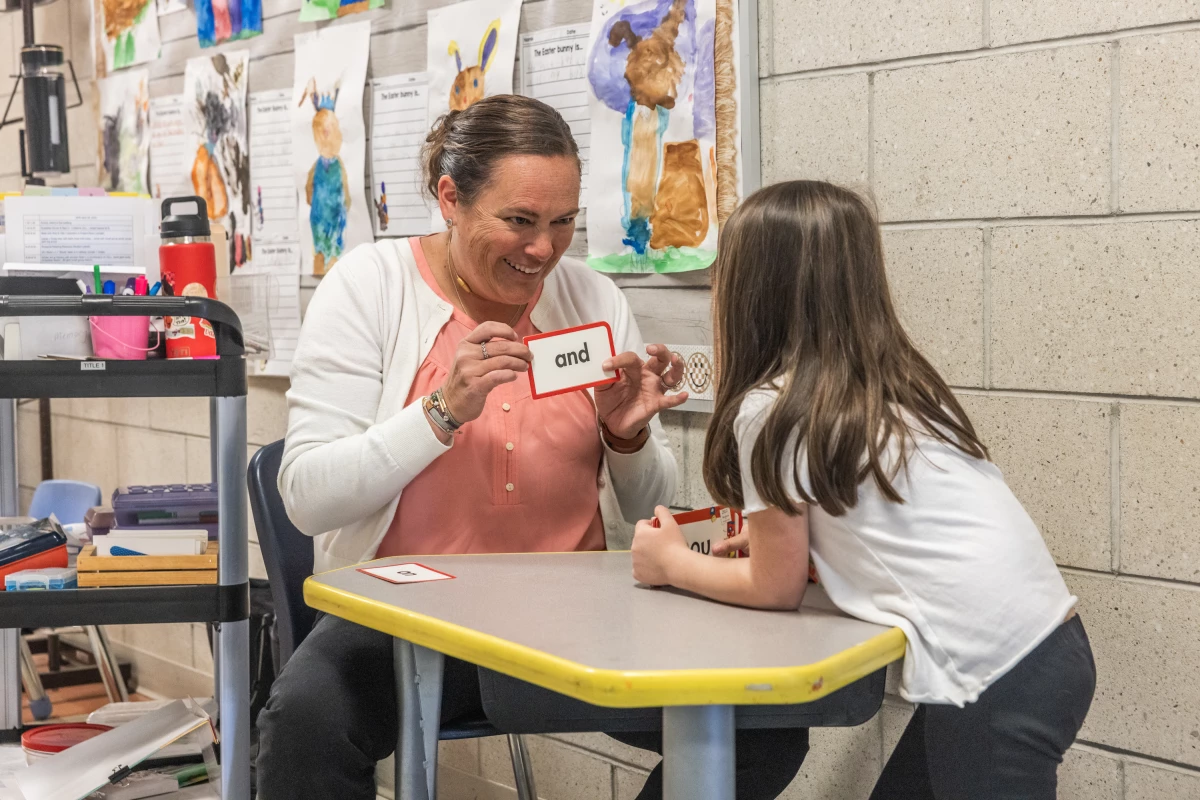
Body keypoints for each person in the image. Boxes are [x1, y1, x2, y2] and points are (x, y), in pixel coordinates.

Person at [256, 95, 806, 800]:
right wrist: (441, 412)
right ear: (450, 198)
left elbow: (653, 512)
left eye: (563, 223)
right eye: (518, 221)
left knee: (765, 725)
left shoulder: (593, 299)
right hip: (409, 622)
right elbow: (307, 498)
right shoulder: (369, 288)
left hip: (574, 621)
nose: (542, 249)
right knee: (303, 722)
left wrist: (625, 435)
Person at [631, 180, 1096, 799]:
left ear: (749, 294)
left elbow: (774, 587)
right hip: (1043, 650)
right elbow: (862, 525)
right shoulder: (890, 387)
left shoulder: (770, 410)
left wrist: (668, 563)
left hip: (997, 671)